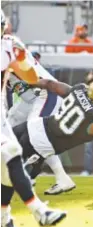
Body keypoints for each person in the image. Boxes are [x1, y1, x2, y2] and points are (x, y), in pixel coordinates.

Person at [1, 10, 66, 227]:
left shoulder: (7, 46)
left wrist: (21, 60)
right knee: (9, 158)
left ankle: (12, 217)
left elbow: (30, 78)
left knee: (10, 159)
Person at [6, 50, 76, 195]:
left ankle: (60, 178)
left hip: (45, 93)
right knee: (9, 128)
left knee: (36, 133)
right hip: (31, 100)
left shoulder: (7, 51)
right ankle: (27, 174)